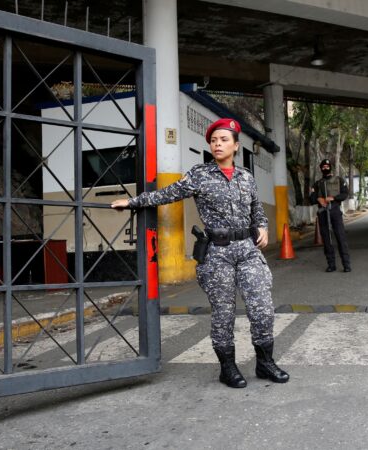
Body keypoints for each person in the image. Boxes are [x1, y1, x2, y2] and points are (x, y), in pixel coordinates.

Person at [111, 118, 289, 388]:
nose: (217, 144)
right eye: (214, 140)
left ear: (236, 146)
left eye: (224, 140)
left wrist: (262, 225)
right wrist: (133, 202)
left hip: (248, 250)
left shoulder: (246, 177)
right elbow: (167, 194)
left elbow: (256, 210)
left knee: (262, 309)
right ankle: (227, 368)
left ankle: (265, 363)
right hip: (218, 252)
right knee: (223, 312)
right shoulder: (199, 174)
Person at [309, 159, 351, 272]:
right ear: (321, 169)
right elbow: (311, 199)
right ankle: (331, 264)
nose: (325, 168)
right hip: (323, 213)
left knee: (340, 237)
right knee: (327, 240)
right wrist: (319, 199)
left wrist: (333, 198)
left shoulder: (339, 180)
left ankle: (346, 264)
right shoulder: (317, 184)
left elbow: (345, 193)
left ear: (330, 167)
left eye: (327, 166)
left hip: (335, 211)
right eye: (323, 167)